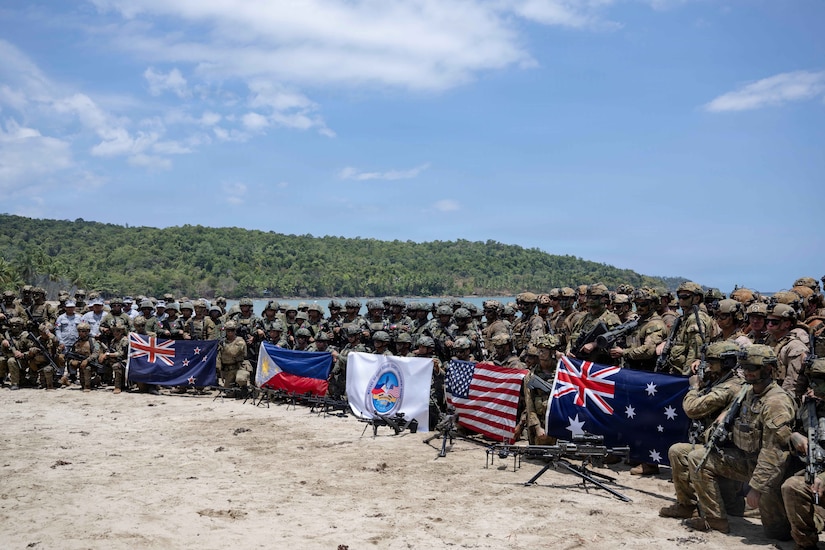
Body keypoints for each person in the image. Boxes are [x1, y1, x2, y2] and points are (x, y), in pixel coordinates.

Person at [685, 345, 795, 538]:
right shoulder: (749, 392)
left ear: (768, 369)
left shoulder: (775, 402)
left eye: (752, 368)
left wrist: (756, 488)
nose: (747, 372)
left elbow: (774, 453)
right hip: (746, 459)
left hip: (771, 472)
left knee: (777, 533)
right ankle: (715, 519)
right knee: (698, 458)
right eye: (744, 367)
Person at [660, 341, 745, 518]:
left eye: (712, 362)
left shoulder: (731, 387)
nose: (708, 366)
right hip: (716, 445)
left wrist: (694, 387)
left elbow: (692, 408)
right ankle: (686, 505)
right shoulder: (721, 380)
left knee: (732, 506)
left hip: (728, 450)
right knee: (677, 451)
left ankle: (716, 514)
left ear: (727, 363)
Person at [781, 358, 825, 549]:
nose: (813, 385)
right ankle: (805, 544)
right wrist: (795, 437)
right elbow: (787, 430)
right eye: (811, 380)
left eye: (819, 380)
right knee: (792, 486)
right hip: (814, 474)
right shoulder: (811, 406)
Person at [659, 281, 715, 375]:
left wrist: (685, 377)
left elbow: (695, 351)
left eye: (685, 297)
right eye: (679, 297)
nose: (681, 300)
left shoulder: (696, 319)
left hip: (685, 373)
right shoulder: (683, 319)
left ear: (696, 298)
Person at [609, 288, 666, 372]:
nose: (639, 307)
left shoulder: (654, 324)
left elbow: (648, 350)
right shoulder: (639, 321)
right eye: (637, 304)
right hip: (634, 368)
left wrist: (623, 352)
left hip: (645, 371)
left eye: (643, 304)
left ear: (652, 304)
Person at [568, 283, 620, 365]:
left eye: (594, 297)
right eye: (588, 297)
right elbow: (572, 337)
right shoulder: (584, 318)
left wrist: (595, 345)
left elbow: (615, 344)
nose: (590, 300)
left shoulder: (611, 318)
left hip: (601, 365)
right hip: (582, 363)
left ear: (604, 299)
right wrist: (569, 351)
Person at [766, 302, 810, 399]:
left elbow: (793, 383)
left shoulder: (795, 347)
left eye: (774, 322)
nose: (769, 324)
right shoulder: (768, 341)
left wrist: (780, 400)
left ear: (787, 324)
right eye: (767, 321)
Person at [216, 321, 251, 391]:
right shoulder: (223, 342)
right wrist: (219, 369)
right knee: (229, 392)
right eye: (228, 330)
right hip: (229, 370)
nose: (230, 332)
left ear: (235, 331)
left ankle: (245, 388)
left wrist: (224, 345)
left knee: (240, 379)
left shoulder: (240, 341)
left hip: (240, 368)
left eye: (232, 330)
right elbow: (219, 356)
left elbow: (234, 353)